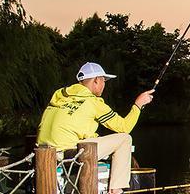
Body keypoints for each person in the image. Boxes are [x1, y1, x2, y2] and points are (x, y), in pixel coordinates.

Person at [37, 62, 154, 194]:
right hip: (69, 153)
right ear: (97, 80)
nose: (104, 85)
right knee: (125, 139)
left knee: (95, 140)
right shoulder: (93, 102)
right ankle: (116, 189)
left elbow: (71, 126)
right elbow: (124, 127)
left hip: (45, 153)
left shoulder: (60, 97)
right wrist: (138, 105)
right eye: (104, 81)